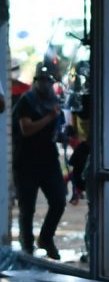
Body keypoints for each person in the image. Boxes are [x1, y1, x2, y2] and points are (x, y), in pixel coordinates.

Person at [12, 63, 66, 259]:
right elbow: (26, 129)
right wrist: (50, 117)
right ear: (35, 81)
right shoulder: (27, 100)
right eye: (40, 80)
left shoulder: (53, 99)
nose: (44, 84)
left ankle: (45, 238)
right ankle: (27, 247)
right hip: (26, 161)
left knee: (59, 200)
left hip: (48, 160)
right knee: (27, 208)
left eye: (48, 80)